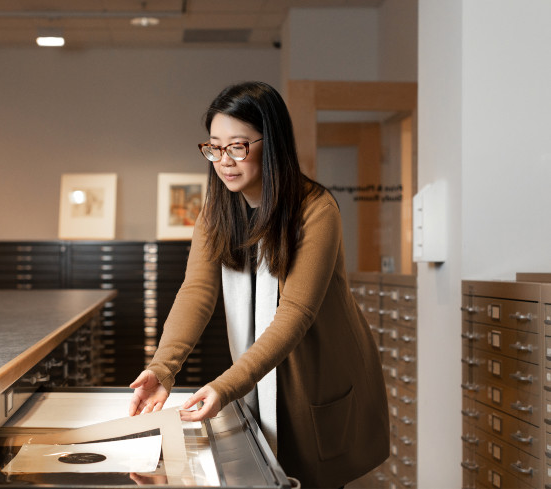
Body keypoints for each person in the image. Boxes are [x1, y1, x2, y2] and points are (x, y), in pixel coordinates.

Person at [129, 81, 389, 488]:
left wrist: (227, 384)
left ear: (272, 144)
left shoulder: (316, 210)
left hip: (316, 380)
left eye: (237, 147)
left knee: (310, 474)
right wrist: (163, 368)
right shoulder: (216, 212)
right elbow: (197, 291)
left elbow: (295, 313)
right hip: (258, 375)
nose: (224, 161)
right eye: (214, 147)